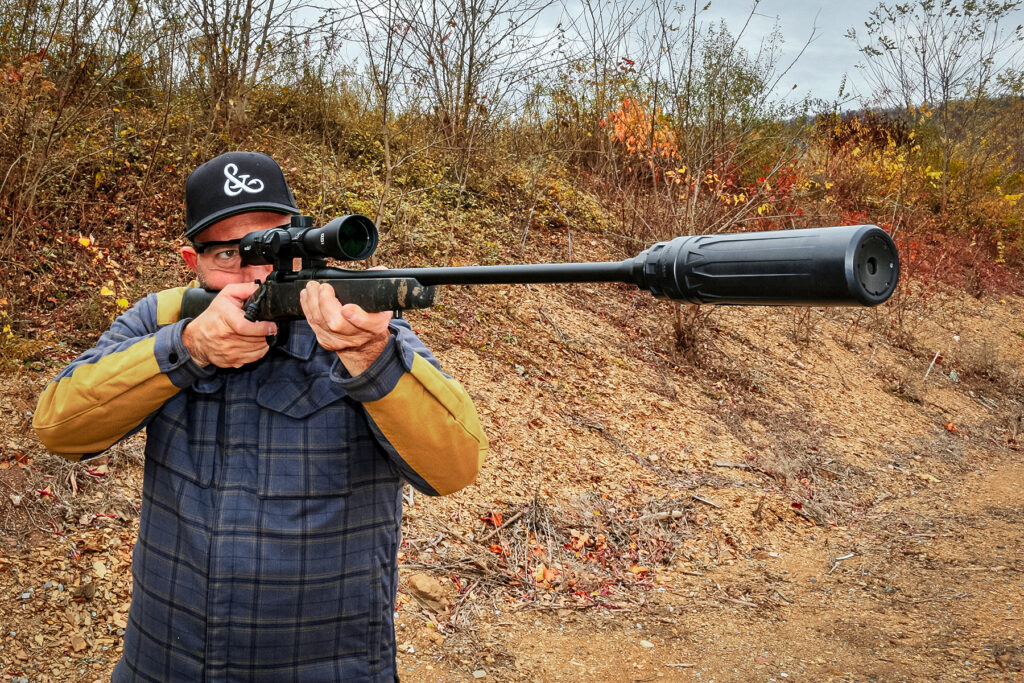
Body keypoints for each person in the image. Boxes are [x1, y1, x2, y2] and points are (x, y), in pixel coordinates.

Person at [33, 151, 488, 681]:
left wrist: (371, 359)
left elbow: (455, 467)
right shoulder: (164, 318)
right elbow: (58, 426)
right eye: (228, 253)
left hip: (328, 664)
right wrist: (186, 349)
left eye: (271, 244)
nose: (253, 271)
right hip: (163, 658)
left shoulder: (357, 326)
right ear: (192, 261)